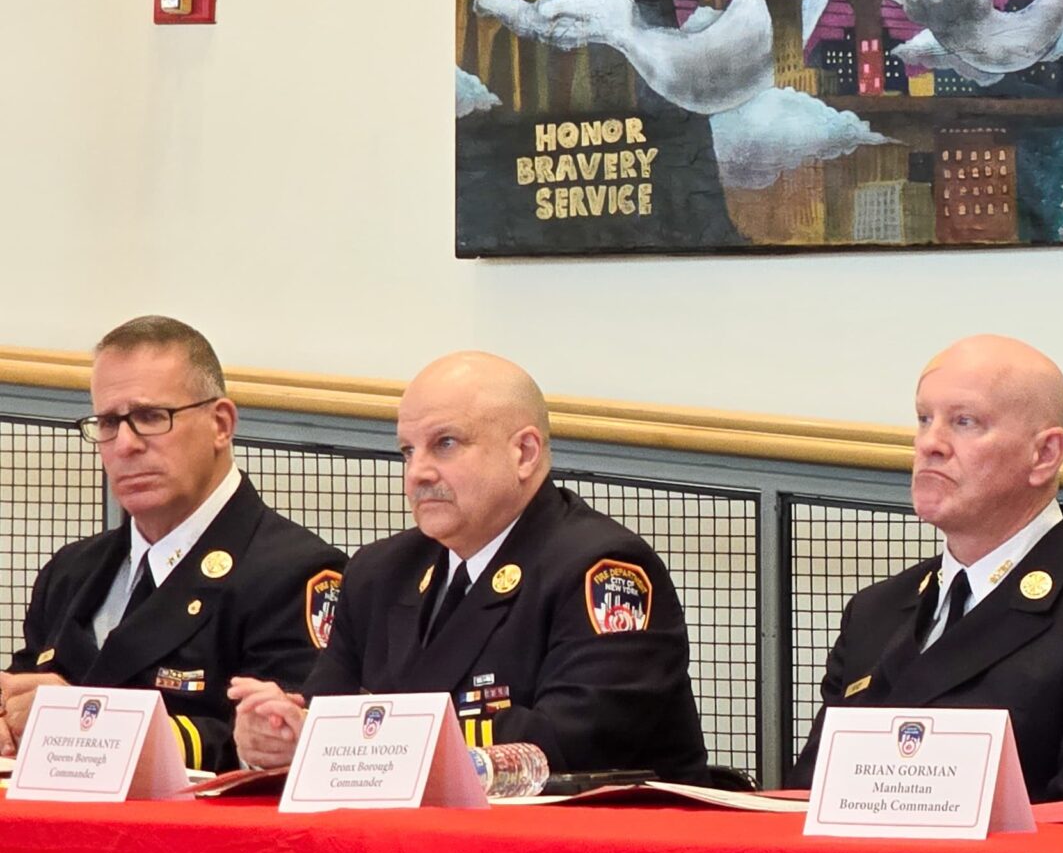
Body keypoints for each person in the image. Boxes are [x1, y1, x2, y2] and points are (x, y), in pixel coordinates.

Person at [230, 353, 706, 778]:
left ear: (524, 453)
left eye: (445, 443)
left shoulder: (599, 569)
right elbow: (326, 717)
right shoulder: (379, 573)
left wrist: (358, 740)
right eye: (408, 450)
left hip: (580, 840)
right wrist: (281, 736)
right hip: (413, 834)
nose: (417, 473)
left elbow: (571, 745)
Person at [787, 335, 1063, 800]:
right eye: (924, 419)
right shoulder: (875, 611)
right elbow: (811, 797)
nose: (930, 444)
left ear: (1044, 455)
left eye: (964, 421)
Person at [7, 317, 341, 773]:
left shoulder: (294, 571)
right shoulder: (70, 572)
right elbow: (25, 694)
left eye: (150, 417)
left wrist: (83, 721)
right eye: (108, 422)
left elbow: (286, 746)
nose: (125, 444)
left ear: (220, 424)